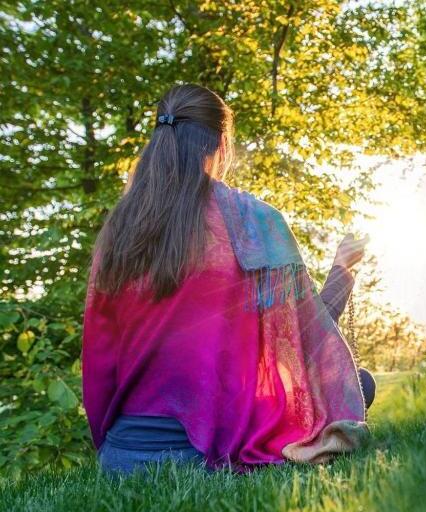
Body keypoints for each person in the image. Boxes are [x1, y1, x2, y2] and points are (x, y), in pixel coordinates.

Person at [81, 84, 375, 476]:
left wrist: (110, 448)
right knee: (360, 385)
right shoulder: (254, 223)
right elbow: (307, 336)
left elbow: (98, 364)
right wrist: (343, 269)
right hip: (205, 456)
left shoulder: (119, 230)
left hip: (121, 456)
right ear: (221, 143)